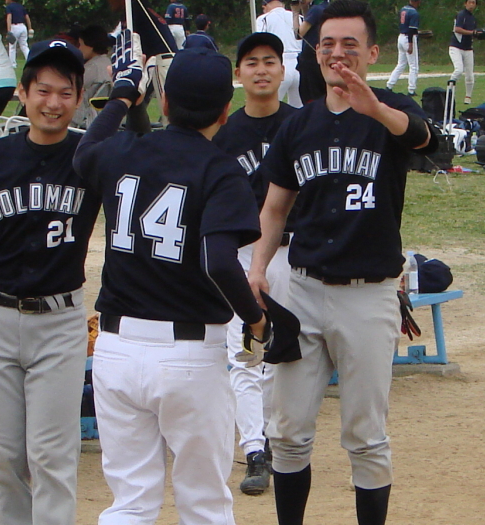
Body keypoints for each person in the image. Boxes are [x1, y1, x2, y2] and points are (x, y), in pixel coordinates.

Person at [247, 1, 438, 524]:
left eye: (350, 45)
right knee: (287, 432)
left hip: (369, 294)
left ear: (372, 53)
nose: (338, 54)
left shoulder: (391, 109)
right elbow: (274, 207)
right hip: (303, 289)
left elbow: (428, 140)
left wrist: (374, 109)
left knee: (366, 435)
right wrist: (258, 268)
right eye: (328, 44)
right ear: (315, 53)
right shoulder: (299, 124)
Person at [74, 33, 269, 525]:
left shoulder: (123, 149)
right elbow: (219, 262)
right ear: (225, 111)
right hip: (188, 355)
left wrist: (122, 95)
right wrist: (255, 319)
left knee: (130, 503)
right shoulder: (221, 170)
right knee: (204, 504)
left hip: (116, 349)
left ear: (164, 101)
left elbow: (85, 150)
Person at [0, 39, 100, 525]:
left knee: (52, 454)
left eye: (66, 92)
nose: (53, 103)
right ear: (22, 94)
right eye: (43, 90)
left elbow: (137, 149)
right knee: (4, 455)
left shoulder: (91, 159)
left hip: (60, 322)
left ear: (79, 98)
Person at [213, 31, 299, 496]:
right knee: (245, 354)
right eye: (252, 62)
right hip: (245, 255)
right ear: (238, 74)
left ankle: (283, 442)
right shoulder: (226, 135)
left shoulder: (302, 125)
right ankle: (255, 449)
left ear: (283, 70)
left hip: (298, 252)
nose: (261, 70)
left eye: (270, 61)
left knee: (287, 354)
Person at [257, 0, 303, 107]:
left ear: (265, 5)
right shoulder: (300, 17)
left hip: (280, 62)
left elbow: (260, 43)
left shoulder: (264, 18)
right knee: (299, 109)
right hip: (300, 64)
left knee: (270, 106)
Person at [72, 25, 113, 128]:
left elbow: (71, 87)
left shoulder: (92, 67)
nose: (78, 48)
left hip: (78, 119)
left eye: (80, 45)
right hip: (98, 118)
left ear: (90, 45)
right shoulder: (107, 63)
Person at [293, 0, 330, 104]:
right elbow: (311, 26)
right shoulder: (326, 8)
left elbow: (298, 34)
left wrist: (295, 12)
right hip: (320, 57)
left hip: (309, 61)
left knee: (310, 98)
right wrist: (304, 9)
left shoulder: (315, 10)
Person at [386, 0, 421, 96]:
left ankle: (389, 85)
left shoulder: (403, 9)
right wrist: (410, 44)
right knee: (413, 66)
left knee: (401, 64)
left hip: (401, 36)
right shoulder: (414, 12)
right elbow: (411, 29)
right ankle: (411, 90)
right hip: (408, 38)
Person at [449, 0, 479, 104]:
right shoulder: (461, 15)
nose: (471, 5)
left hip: (468, 48)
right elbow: (457, 29)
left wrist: (478, 34)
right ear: (465, 3)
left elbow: (474, 33)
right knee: (459, 69)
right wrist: (472, 32)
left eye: (473, 3)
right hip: (456, 47)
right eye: (469, 2)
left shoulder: (473, 18)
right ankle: (449, 91)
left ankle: (468, 97)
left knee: (470, 75)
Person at [5, 0, 33, 67]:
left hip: (14, 27)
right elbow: (27, 17)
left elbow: (9, 17)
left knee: (12, 47)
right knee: (24, 46)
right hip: (23, 27)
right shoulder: (21, 6)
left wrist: (9, 31)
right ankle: (30, 61)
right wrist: (30, 28)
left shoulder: (9, 7)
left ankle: (13, 64)